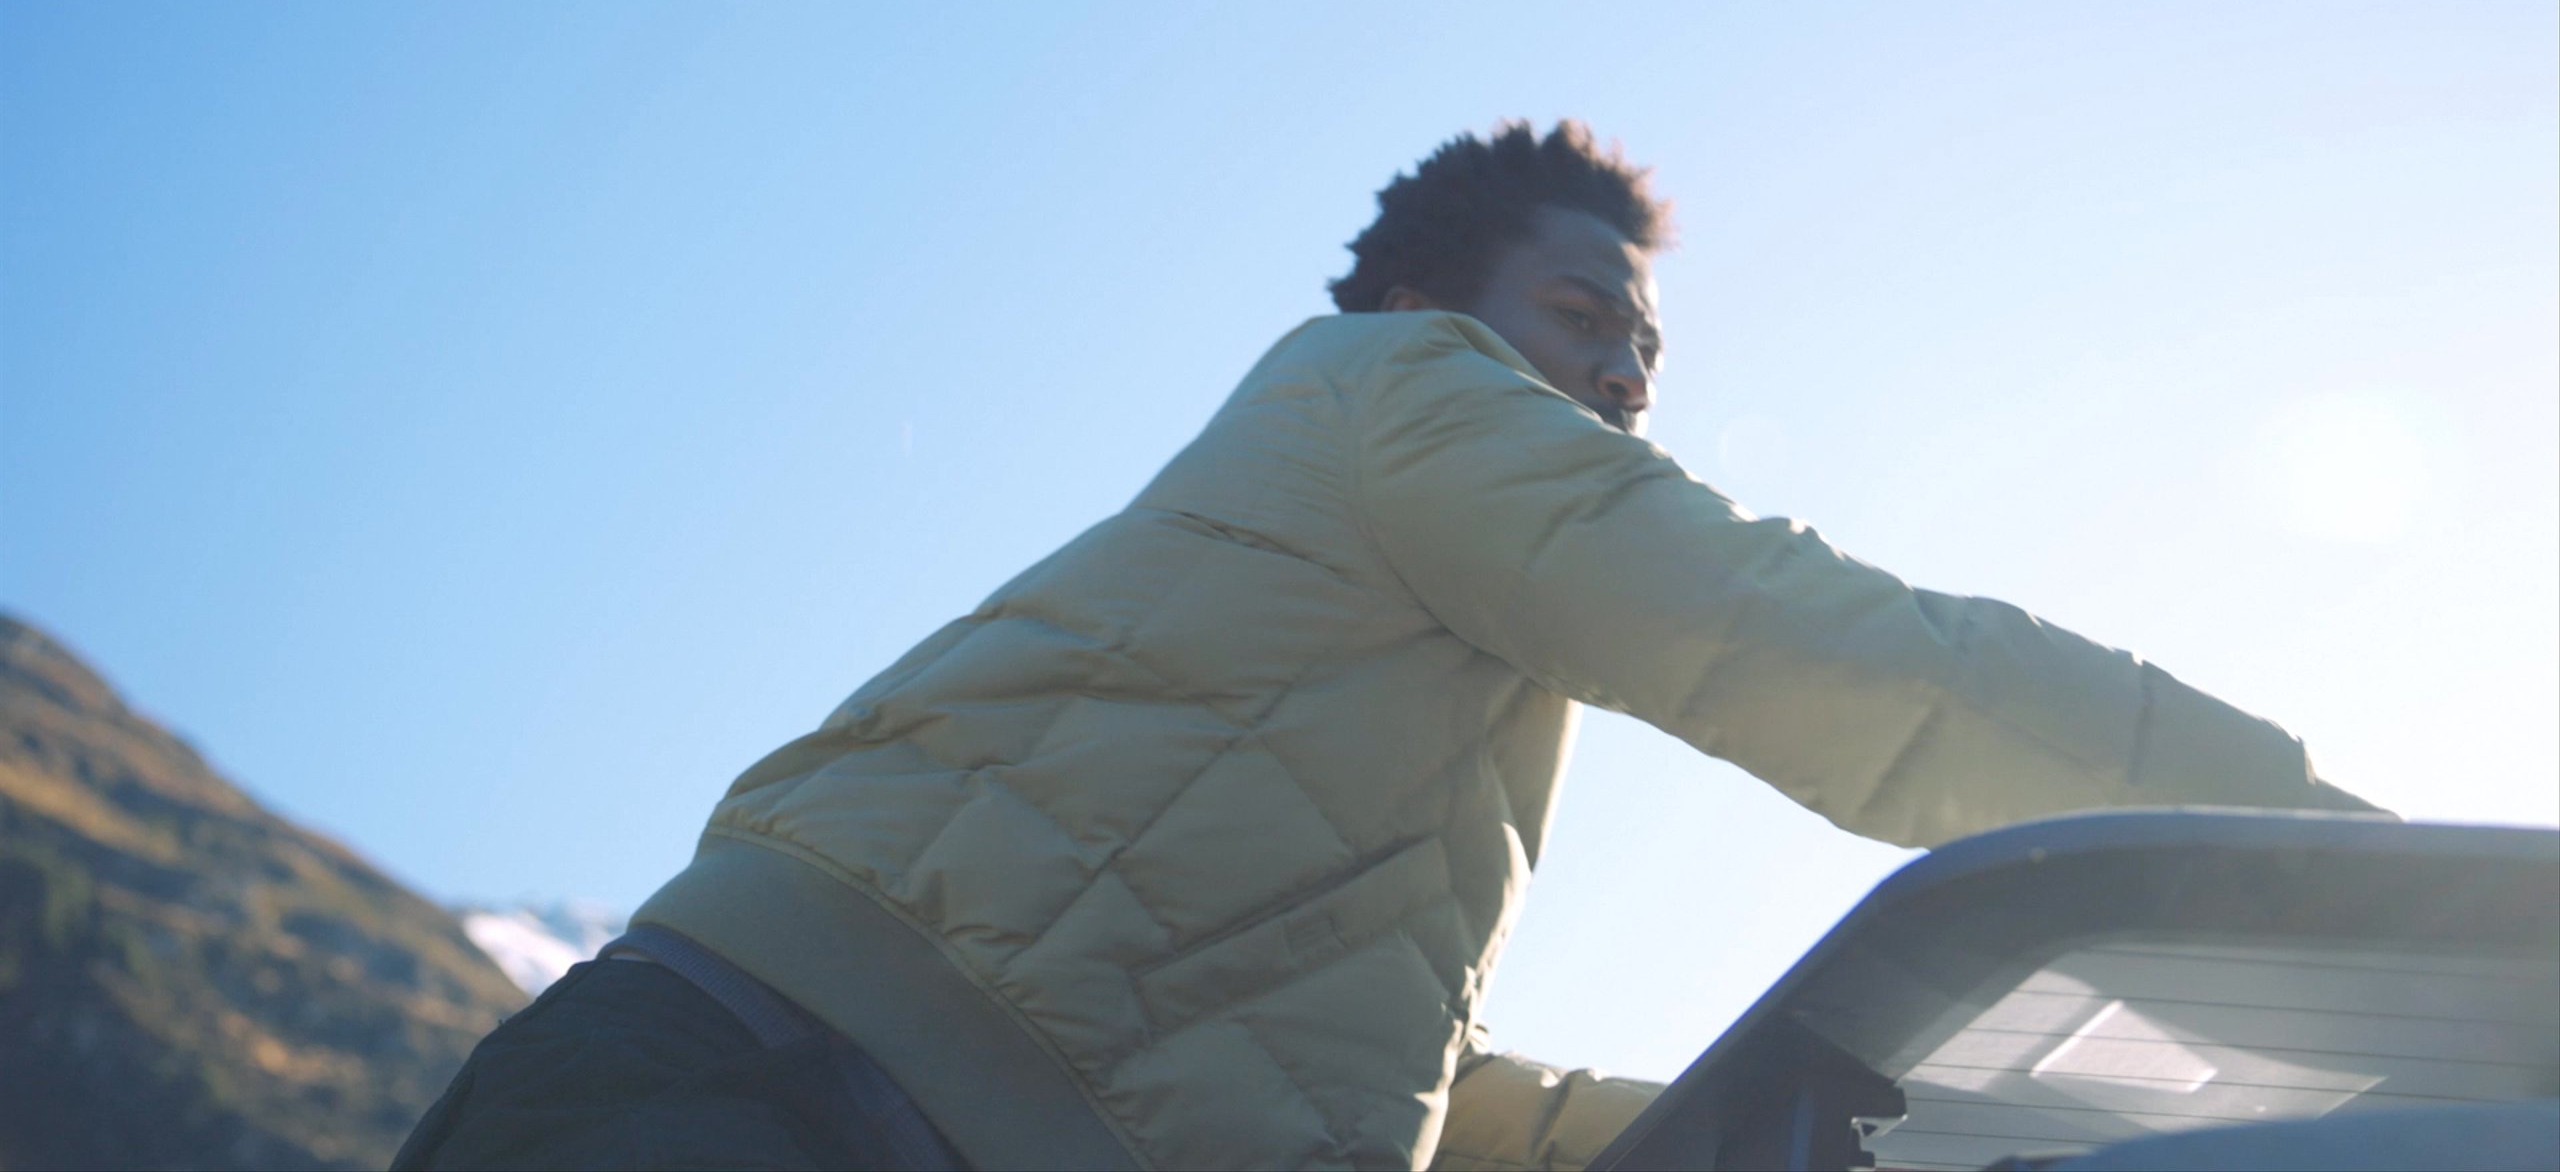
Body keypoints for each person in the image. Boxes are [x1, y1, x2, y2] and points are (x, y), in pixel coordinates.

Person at [396, 121, 2376, 1172]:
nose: (1621, 377)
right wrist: (2330, 875)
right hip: (765, 1099)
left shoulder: (1408, 648)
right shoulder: (1401, 390)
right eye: (1587, 314)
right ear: (1434, 292)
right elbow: (1817, 648)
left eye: (1646, 353)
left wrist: (1798, 1127)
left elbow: (1318, 1075)